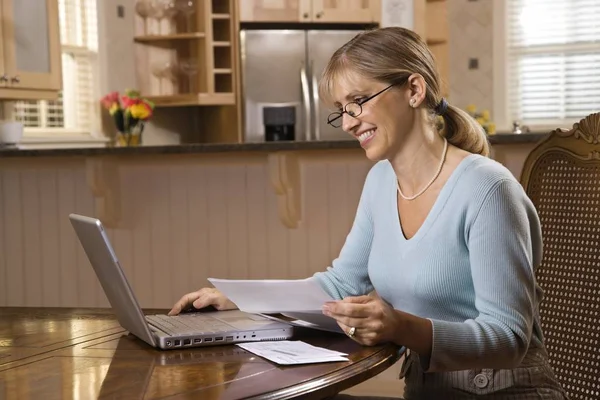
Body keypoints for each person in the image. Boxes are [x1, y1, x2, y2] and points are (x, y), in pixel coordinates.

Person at [169, 27, 567, 399]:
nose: (346, 122)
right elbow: (341, 284)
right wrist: (240, 298)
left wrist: (400, 326)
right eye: (340, 109)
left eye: (357, 102)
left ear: (414, 89)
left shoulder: (487, 189)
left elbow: (509, 338)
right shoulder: (381, 181)